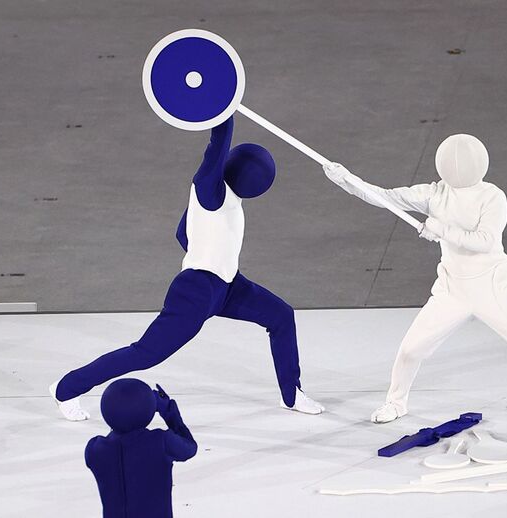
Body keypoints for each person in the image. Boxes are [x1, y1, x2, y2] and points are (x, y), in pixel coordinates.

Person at [49, 116, 323, 420]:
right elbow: (218, 143)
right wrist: (224, 109)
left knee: (281, 315)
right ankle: (65, 388)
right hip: (196, 292)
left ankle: (291, 394)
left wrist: (205, 252)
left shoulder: (225, 201)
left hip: (228, 287)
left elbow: (183, 232)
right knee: (146, 353)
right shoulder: (210, 190)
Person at [322, 134, 507, 431]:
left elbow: (484, 241)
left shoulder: (492, 196)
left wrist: (440, 229)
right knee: (411, 349)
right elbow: (384, 198)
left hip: (492, 286)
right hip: (452, 289)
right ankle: (396, 402)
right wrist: (346, 179)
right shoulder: (434, 193)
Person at [86, 379, 195, 518]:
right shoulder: (161, 441)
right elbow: (190, 448)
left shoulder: (94, 449)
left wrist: (121, 415)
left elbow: (119, 441)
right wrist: (169, 412)